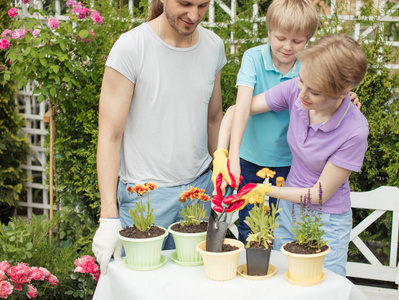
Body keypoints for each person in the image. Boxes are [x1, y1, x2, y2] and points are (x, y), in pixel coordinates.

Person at [92, 0, 226, 274]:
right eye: (185, 4)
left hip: (199, 193)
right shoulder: (132, 47)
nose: (194, 15)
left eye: (202, 5)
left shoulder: (213, 47)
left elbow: (214, 119)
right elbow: (109, 135)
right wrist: (108, 215)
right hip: (145, 199)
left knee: (196, 286)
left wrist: (225, 184)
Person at [219, 34, 369, 276]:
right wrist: (223, 155)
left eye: (315, 92)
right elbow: (238, 110)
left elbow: (318, 194)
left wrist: (263, 190)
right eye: (301, 81)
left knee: (323, 290)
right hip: (288, 212)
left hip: (326, 222)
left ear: (344, 91)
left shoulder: (355, 130)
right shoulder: (296, 93)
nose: (302, 95)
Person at [213, 0, 360, 245]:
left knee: (280, 235)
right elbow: (240, 109)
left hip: (289, 166)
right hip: (250, 161)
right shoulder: (254, 58)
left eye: (298, 41)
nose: (288, 47)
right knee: (252, 233)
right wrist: (230, 155)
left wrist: (344, 97)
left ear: (308, 40)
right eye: (281, 38)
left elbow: (330, 95)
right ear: (269, 30)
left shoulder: (309, 68)